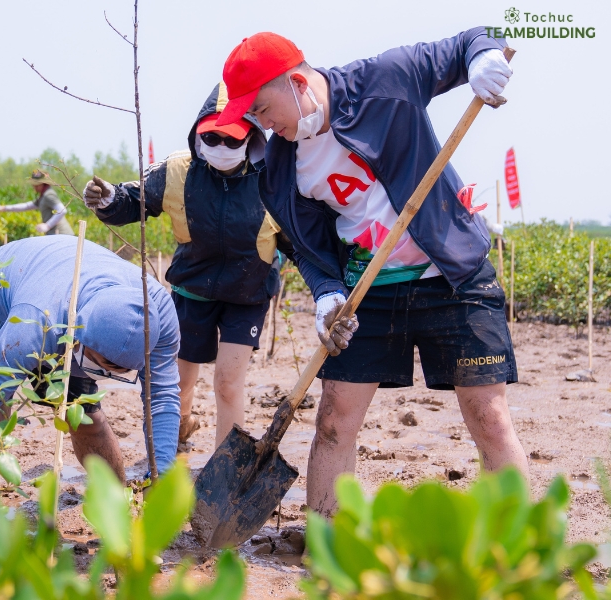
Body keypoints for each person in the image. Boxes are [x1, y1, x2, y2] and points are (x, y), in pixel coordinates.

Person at [216, 29, 527, 515]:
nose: (262, 125)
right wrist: (325, 294)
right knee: (334, 421)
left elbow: (473, 40)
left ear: (297, 84)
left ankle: (518, 547)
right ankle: (327, 545)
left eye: (261, 109)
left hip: (454, 274)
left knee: (488, 417)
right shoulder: (279, 168)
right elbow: (310, 247)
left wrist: (483, 59)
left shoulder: (386, 79)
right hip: (368, 290)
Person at [83, 82, 293, 449]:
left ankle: (224, 470)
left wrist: (333, 285)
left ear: (251, 137)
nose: (221, 148)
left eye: (232, 140)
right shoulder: (178, 170)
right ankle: (177, 437)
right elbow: (133, 199)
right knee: (178, 382)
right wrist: (108, 200)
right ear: (199, 134)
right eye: (212, 138)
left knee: (228, 382)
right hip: (191, 290)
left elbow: (302, 240)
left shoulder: (274, 177)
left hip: (248, 293)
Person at [0, 236, 180, 495]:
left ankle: (117, 501)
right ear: (78, 338)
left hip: (60, 286)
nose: (106, 376)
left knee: (83, 414)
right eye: (102, 366)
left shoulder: (157, 314)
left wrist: (161, 478)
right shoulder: (36, 323)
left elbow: (162, 398)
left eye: (119, 372)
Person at [0, 170, 74, 235]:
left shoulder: (49, 194)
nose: (34, 186)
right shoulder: (43, 196)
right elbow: (26, 206)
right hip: (54, 235)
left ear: (43, 184)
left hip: (62, 235)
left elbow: (62, 210)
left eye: (36, 184)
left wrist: (47, 225)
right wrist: (3, 208)